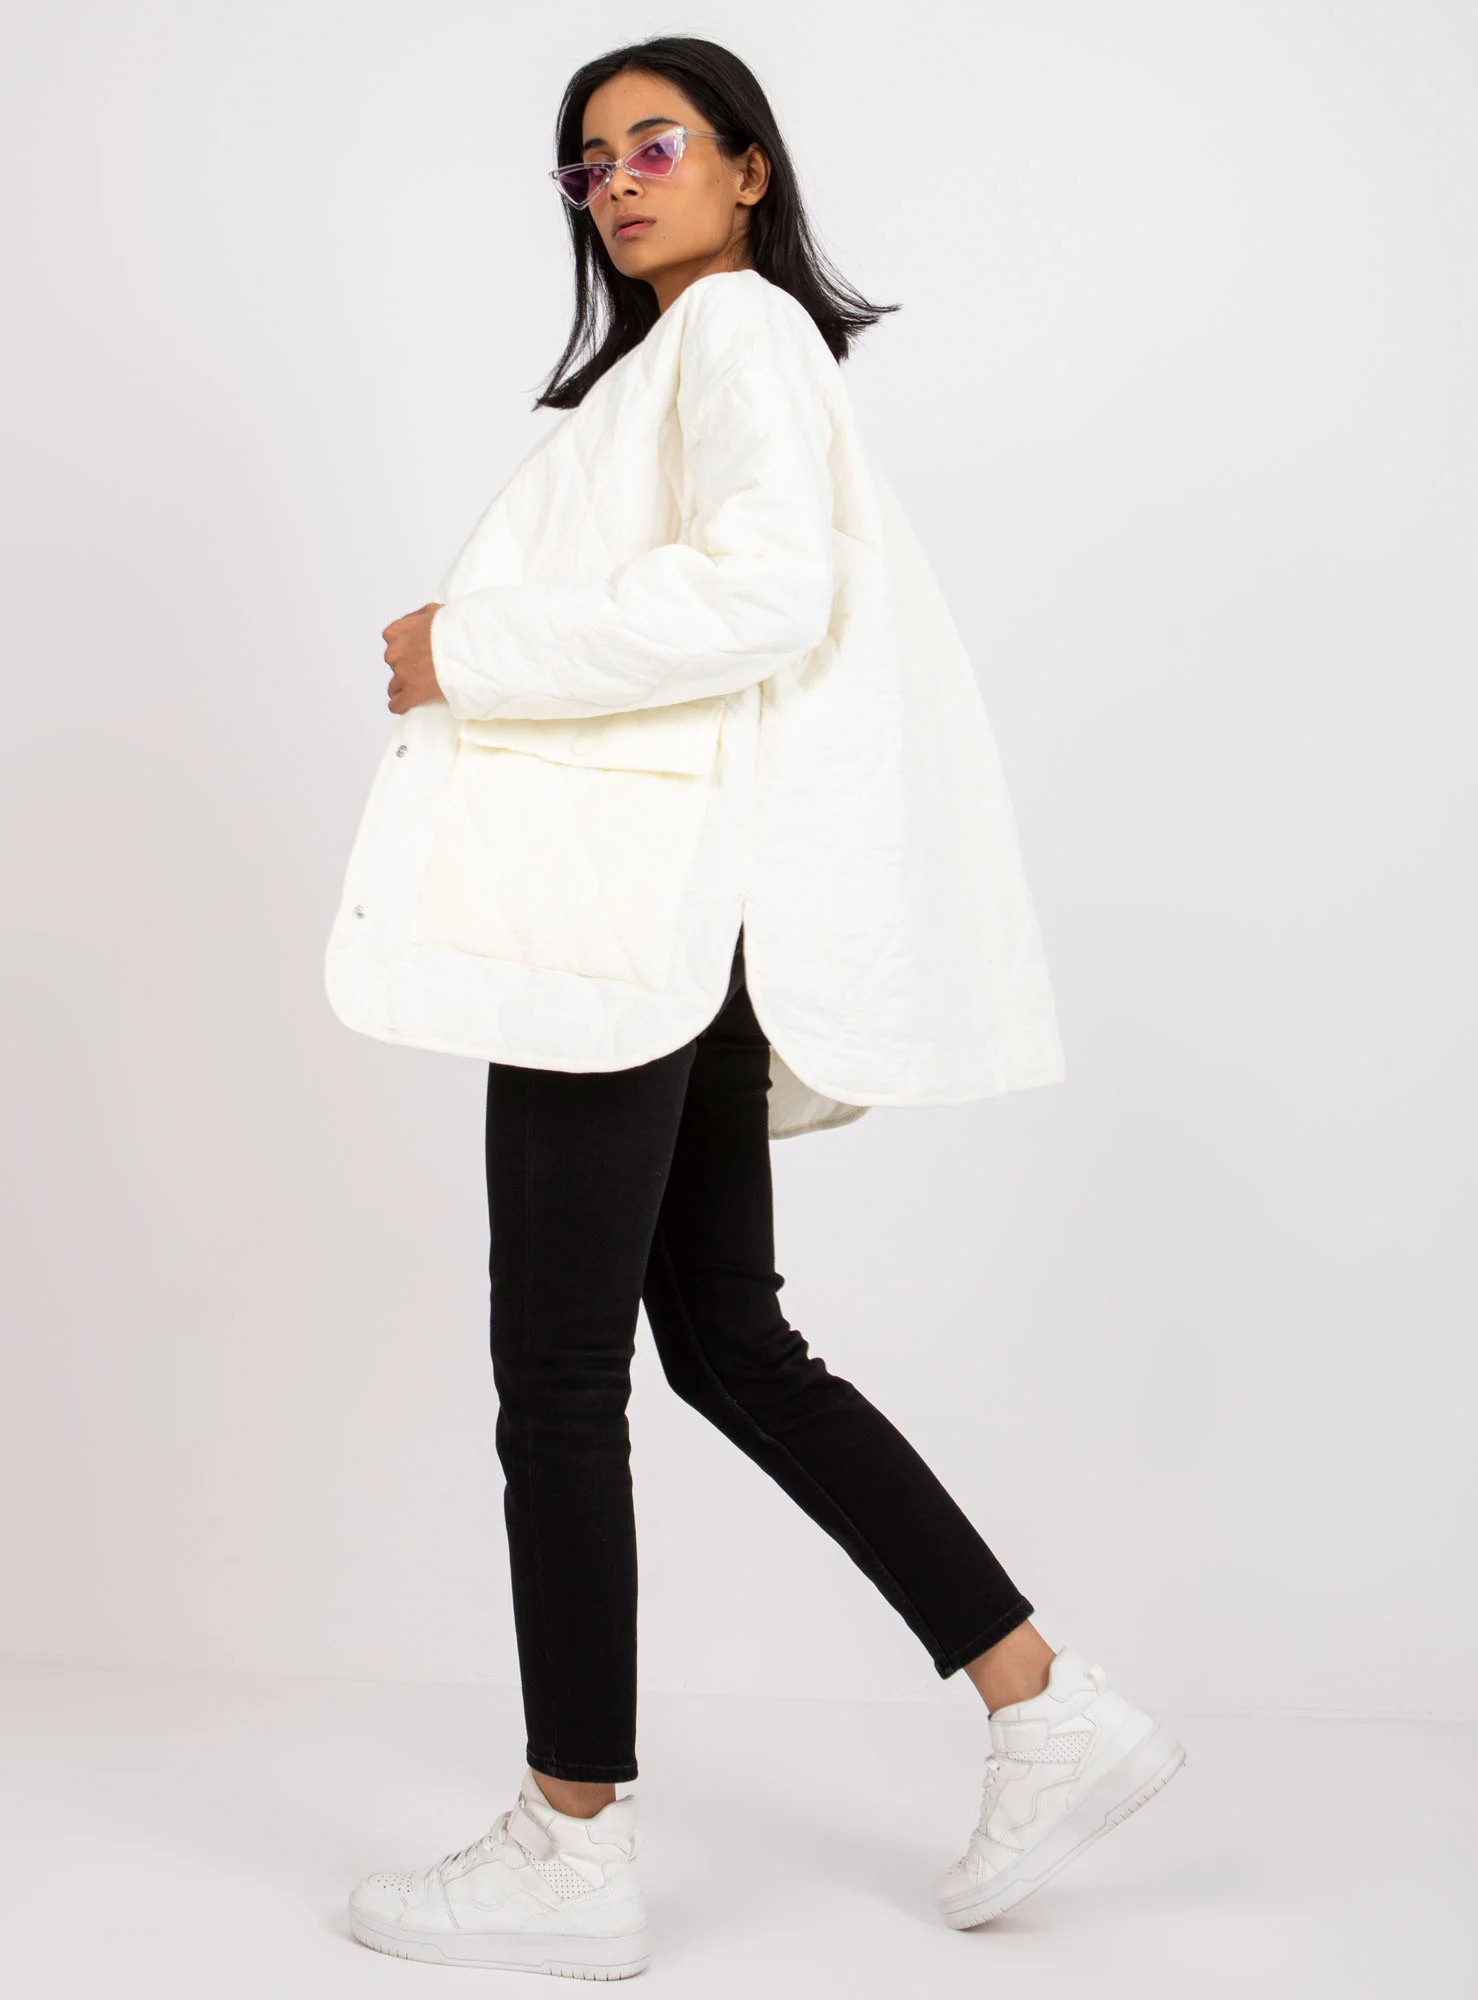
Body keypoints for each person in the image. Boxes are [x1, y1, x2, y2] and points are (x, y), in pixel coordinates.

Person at [328, 35, 1185, 1981]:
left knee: (563, 1375)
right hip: (677, 918)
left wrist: (467, 647)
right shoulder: (693, 358)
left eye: (656, 144)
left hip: (631, 929)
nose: (620, 182)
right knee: (726, 1341)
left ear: (747, 167)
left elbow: (762, 596)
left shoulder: (734, 335)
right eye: (589, 164)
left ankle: (571, 1841)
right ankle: (1045, 1703)